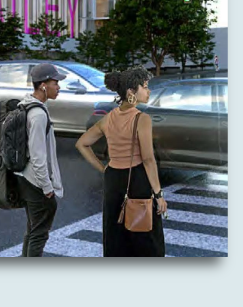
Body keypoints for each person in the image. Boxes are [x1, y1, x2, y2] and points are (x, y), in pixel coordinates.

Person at [74, 67, 167, 256]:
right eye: (145, 87)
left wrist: (103, 169)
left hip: (113, 179)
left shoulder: (108, 119)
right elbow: (148, 159)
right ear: (131, 92)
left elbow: (82, 144)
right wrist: (158, 194)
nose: (148, 91)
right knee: (144, 232)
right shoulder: (141, 119)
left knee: (116, 232)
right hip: (137, 179)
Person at [13, 63, 65, 256]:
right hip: (36, 183)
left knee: (33, 230)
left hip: (25, 177)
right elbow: (38, 156)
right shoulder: (38, 115)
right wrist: (47, 188)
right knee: (39, 234)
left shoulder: (27, 105)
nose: (58, 87)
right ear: (43, 85)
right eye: (55, 82)